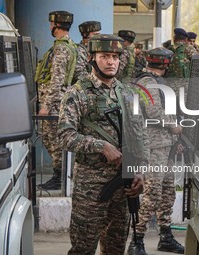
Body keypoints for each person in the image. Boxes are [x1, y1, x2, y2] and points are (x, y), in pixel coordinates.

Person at [58, 34, 148, 255]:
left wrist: (140, 173)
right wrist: (101, 146)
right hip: (91, 187)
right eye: (105, 56)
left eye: (115, 57)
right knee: (83, 248)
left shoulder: (127, 93)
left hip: (124, 185)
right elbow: (65, 135)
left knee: (116, 248)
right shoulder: (77, 93)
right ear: (91, 58)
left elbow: (140, 137)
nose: (111, 62)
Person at [127, 47, 184, 255]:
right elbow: (153, 111)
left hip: (165, 144)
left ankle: (165, 236)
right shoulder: (147, 82)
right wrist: (173, 126)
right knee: (152, 193)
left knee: (168, 192)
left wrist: (176, 138)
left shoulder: (156, 82)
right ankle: (137, 240)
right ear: (166, 64)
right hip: (153, 146)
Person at [34, 11, 77, 190]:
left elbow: (57, 80)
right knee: (53, 140)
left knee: (54, 141)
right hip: (58, 101)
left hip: (54, 103)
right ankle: (61, 175)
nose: (50, 27)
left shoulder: (61, 49)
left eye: (51, 24)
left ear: (55, 25)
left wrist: (46, 105)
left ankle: (59, 177)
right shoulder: (68, 46)